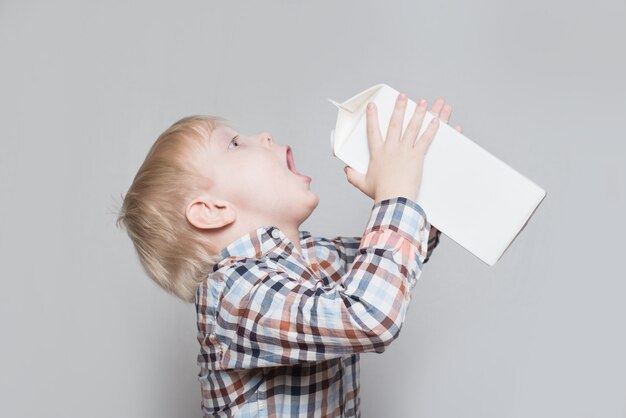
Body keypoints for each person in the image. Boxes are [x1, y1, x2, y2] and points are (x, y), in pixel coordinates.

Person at [116, 93, 464, 417]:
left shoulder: (310, 255)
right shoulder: (235, 295)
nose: (264, 135)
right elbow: (371, 315)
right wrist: (396, 193)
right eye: (235, 143)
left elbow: (386, 267)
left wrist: (422, 181)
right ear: (212, 210)